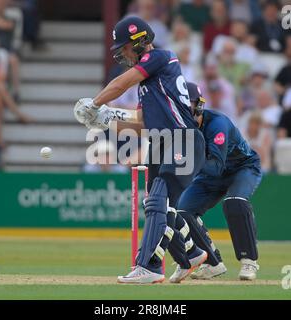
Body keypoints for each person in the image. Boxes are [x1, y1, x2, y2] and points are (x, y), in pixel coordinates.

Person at [73, 16, 207, 284]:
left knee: (159, 199)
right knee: (157, 205)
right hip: (160, 142)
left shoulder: (161, 58)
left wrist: (96, 103)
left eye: (123, 47)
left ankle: (149, 267)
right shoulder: (150, 85)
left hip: (183, 140)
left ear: (139, 42)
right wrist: (105, 120)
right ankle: (190, 255)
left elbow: (121, 83)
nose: (122, 53)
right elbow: (141, 125)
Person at [171, 82, 262, 281]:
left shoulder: (217, 124)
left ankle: (249, 262)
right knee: (182, 211)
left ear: (199, 105)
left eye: (189, 103)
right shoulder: (179, 128)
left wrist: (184, 162)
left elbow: (215, 167)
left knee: (235, 201)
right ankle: (212, 263)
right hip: (209, 175)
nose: (185, 108)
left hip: (242, 168)